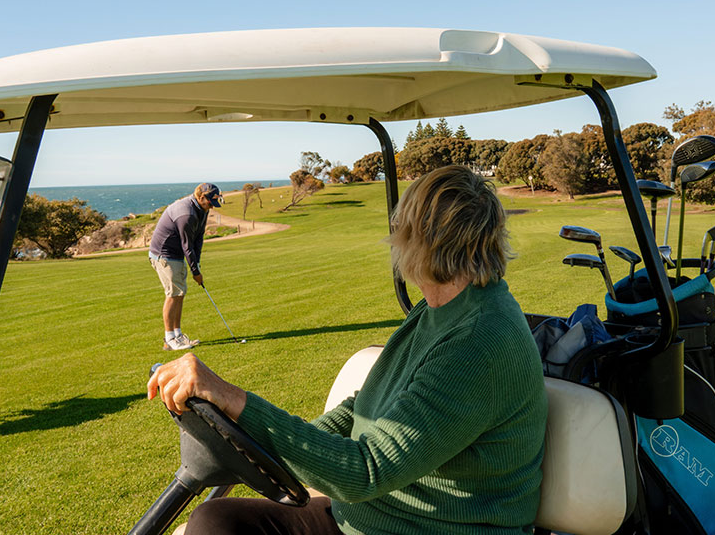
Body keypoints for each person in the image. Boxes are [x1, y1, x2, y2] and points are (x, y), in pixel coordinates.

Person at [148, 165, 548, 534]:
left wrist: (233, 399)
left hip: (428, 527)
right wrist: (263, 445)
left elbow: (366, 471)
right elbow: (364, 407)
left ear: (421, 242)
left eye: (400, 229)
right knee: (216, 522)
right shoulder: (437, 308)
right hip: (365, 518)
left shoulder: (478, 342)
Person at [149, 183, 224, 351]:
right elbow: (187, 245)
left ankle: (178, 334)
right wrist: (195, 272)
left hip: (176, 254)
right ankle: (169, 338)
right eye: (210, 202)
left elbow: (198, 239)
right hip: (164, 254)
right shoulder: (187, 214)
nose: (212, 206)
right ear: (201, 197)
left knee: (180, 293)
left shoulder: (202, 210)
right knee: (173, 293)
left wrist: (196, 264)